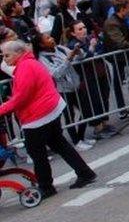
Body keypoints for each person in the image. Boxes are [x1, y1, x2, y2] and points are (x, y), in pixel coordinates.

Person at [0, 39, 98, 200]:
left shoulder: (26, 67)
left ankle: (46, 186)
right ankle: (84, 172)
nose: (5, 59)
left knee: (37, 153)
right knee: (59, 144)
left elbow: (20, 98)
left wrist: (2, 109)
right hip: (48, 109)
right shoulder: (29, 63)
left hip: (39, 115)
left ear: (18, 53)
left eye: (7, 55)